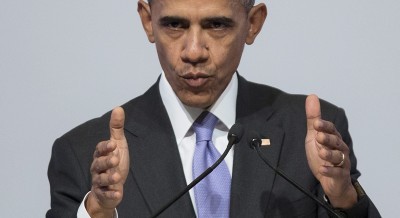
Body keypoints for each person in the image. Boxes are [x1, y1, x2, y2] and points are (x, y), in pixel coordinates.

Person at [47, 0, 380, 217]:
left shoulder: (307, 133)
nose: (194, 51)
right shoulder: (82, 153)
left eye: (216, 25)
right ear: (148, 22)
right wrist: (99, 212)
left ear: (253, 23)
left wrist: (344, 198)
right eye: (174, 25)